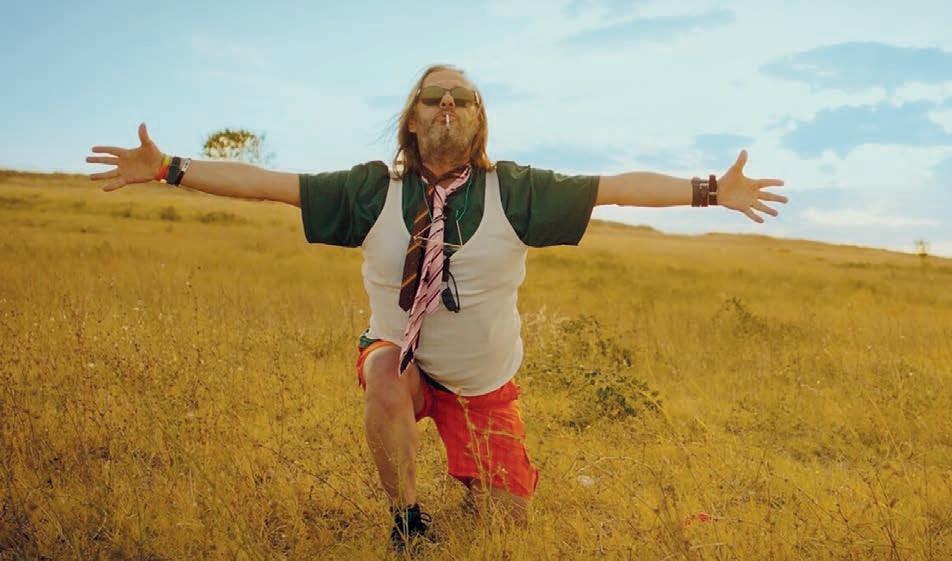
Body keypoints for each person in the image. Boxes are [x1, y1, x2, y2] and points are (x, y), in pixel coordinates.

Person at [86, 63, 788, 552]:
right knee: (385, 369)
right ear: (412, 120)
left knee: (505, 524)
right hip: (407, 362)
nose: (446, 103)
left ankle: (475, 474)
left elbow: (616, 188)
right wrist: (170, 168)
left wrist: (709, 191)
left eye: (462, 97)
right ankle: (405, 522)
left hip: (483, 383)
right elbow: (269, 184)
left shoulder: (517, 191)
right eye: (431, 97)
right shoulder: (372, 191)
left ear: (479, 121)